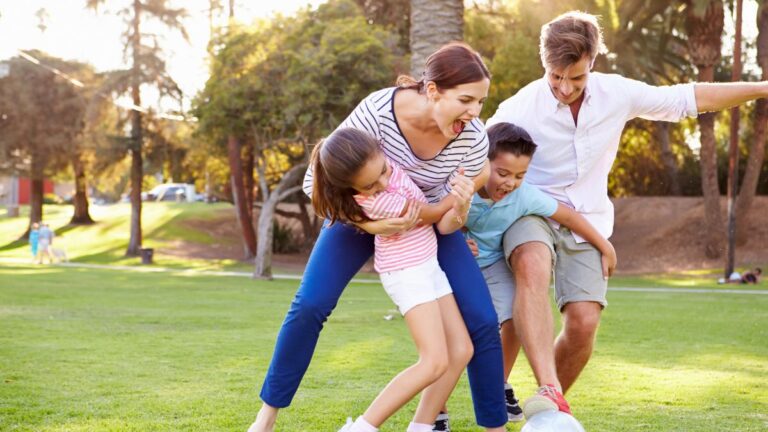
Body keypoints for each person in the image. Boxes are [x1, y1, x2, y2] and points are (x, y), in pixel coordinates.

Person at [486, 10, 768, 417]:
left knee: (583, 324)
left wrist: (762, 87)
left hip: (589, 219)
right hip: (532, 212)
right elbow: (476, 153)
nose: (565, 88)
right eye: (555, 77)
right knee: (531, 263)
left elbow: (689, 98)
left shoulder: (616, 93)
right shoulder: (520, 107)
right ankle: (542, 387)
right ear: (544, 65)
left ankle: (545, 408)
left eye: (576, 78)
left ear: (594, 63)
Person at [249, 42, 509, 432]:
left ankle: (491, 427)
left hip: (428, 223)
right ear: (434, 90)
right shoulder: (377, 111)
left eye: (481, 102)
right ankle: (266, 419)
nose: (475, 114)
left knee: (483, 320)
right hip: (358, 218)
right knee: (311, 305)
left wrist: (465, 196)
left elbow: (474, 179)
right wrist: (369, 225)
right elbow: (312, 183)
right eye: (467, 100)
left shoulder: (471, 137)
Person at [309, 127, 473, 432]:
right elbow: (436, 211)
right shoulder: (378, 203)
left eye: (384, 171)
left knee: (462, 349)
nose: (384, 183)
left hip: (428, 265)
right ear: (352, 188)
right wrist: (466, 188)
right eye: (371, 185)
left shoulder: (386, 164)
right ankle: (361, 428)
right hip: (407, 272)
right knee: (434, 360)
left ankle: (422, 427)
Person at [459, 122, 616, 421]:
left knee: (515, 319)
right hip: (461, 268)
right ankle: (436, 412)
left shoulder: (524, 196)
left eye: (519, 176)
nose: (510, 183)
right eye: (503, 173)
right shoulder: (463, 188)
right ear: (482, 162)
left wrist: (604, 246)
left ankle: (498, 386)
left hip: (492, 266)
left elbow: (567, 215)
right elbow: (440, 222)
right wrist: (457, 242)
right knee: (454, 338)